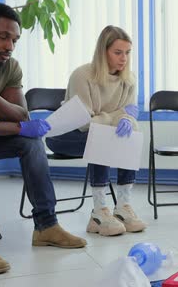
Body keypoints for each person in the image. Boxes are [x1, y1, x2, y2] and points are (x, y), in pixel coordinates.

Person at [0, 1, 86, 275]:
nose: (10, 46)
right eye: (3, 37)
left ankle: (46, 225)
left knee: (30, 141)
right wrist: (16, 126)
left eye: (14, 40)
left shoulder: (9, 66)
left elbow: (21, 117)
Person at [46, 25, 146, 236]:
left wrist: (126, 118)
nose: (124, 59)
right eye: (118, 52)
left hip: (97, 132)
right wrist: (115, 115)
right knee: (102, 138)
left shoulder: (129, 79)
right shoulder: (82, 75)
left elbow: (127, 115)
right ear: (103, 52)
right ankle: (99, 211)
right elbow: (83, 123)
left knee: (130, 135)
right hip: (65, 135)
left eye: (127, 52)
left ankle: (122, 208)